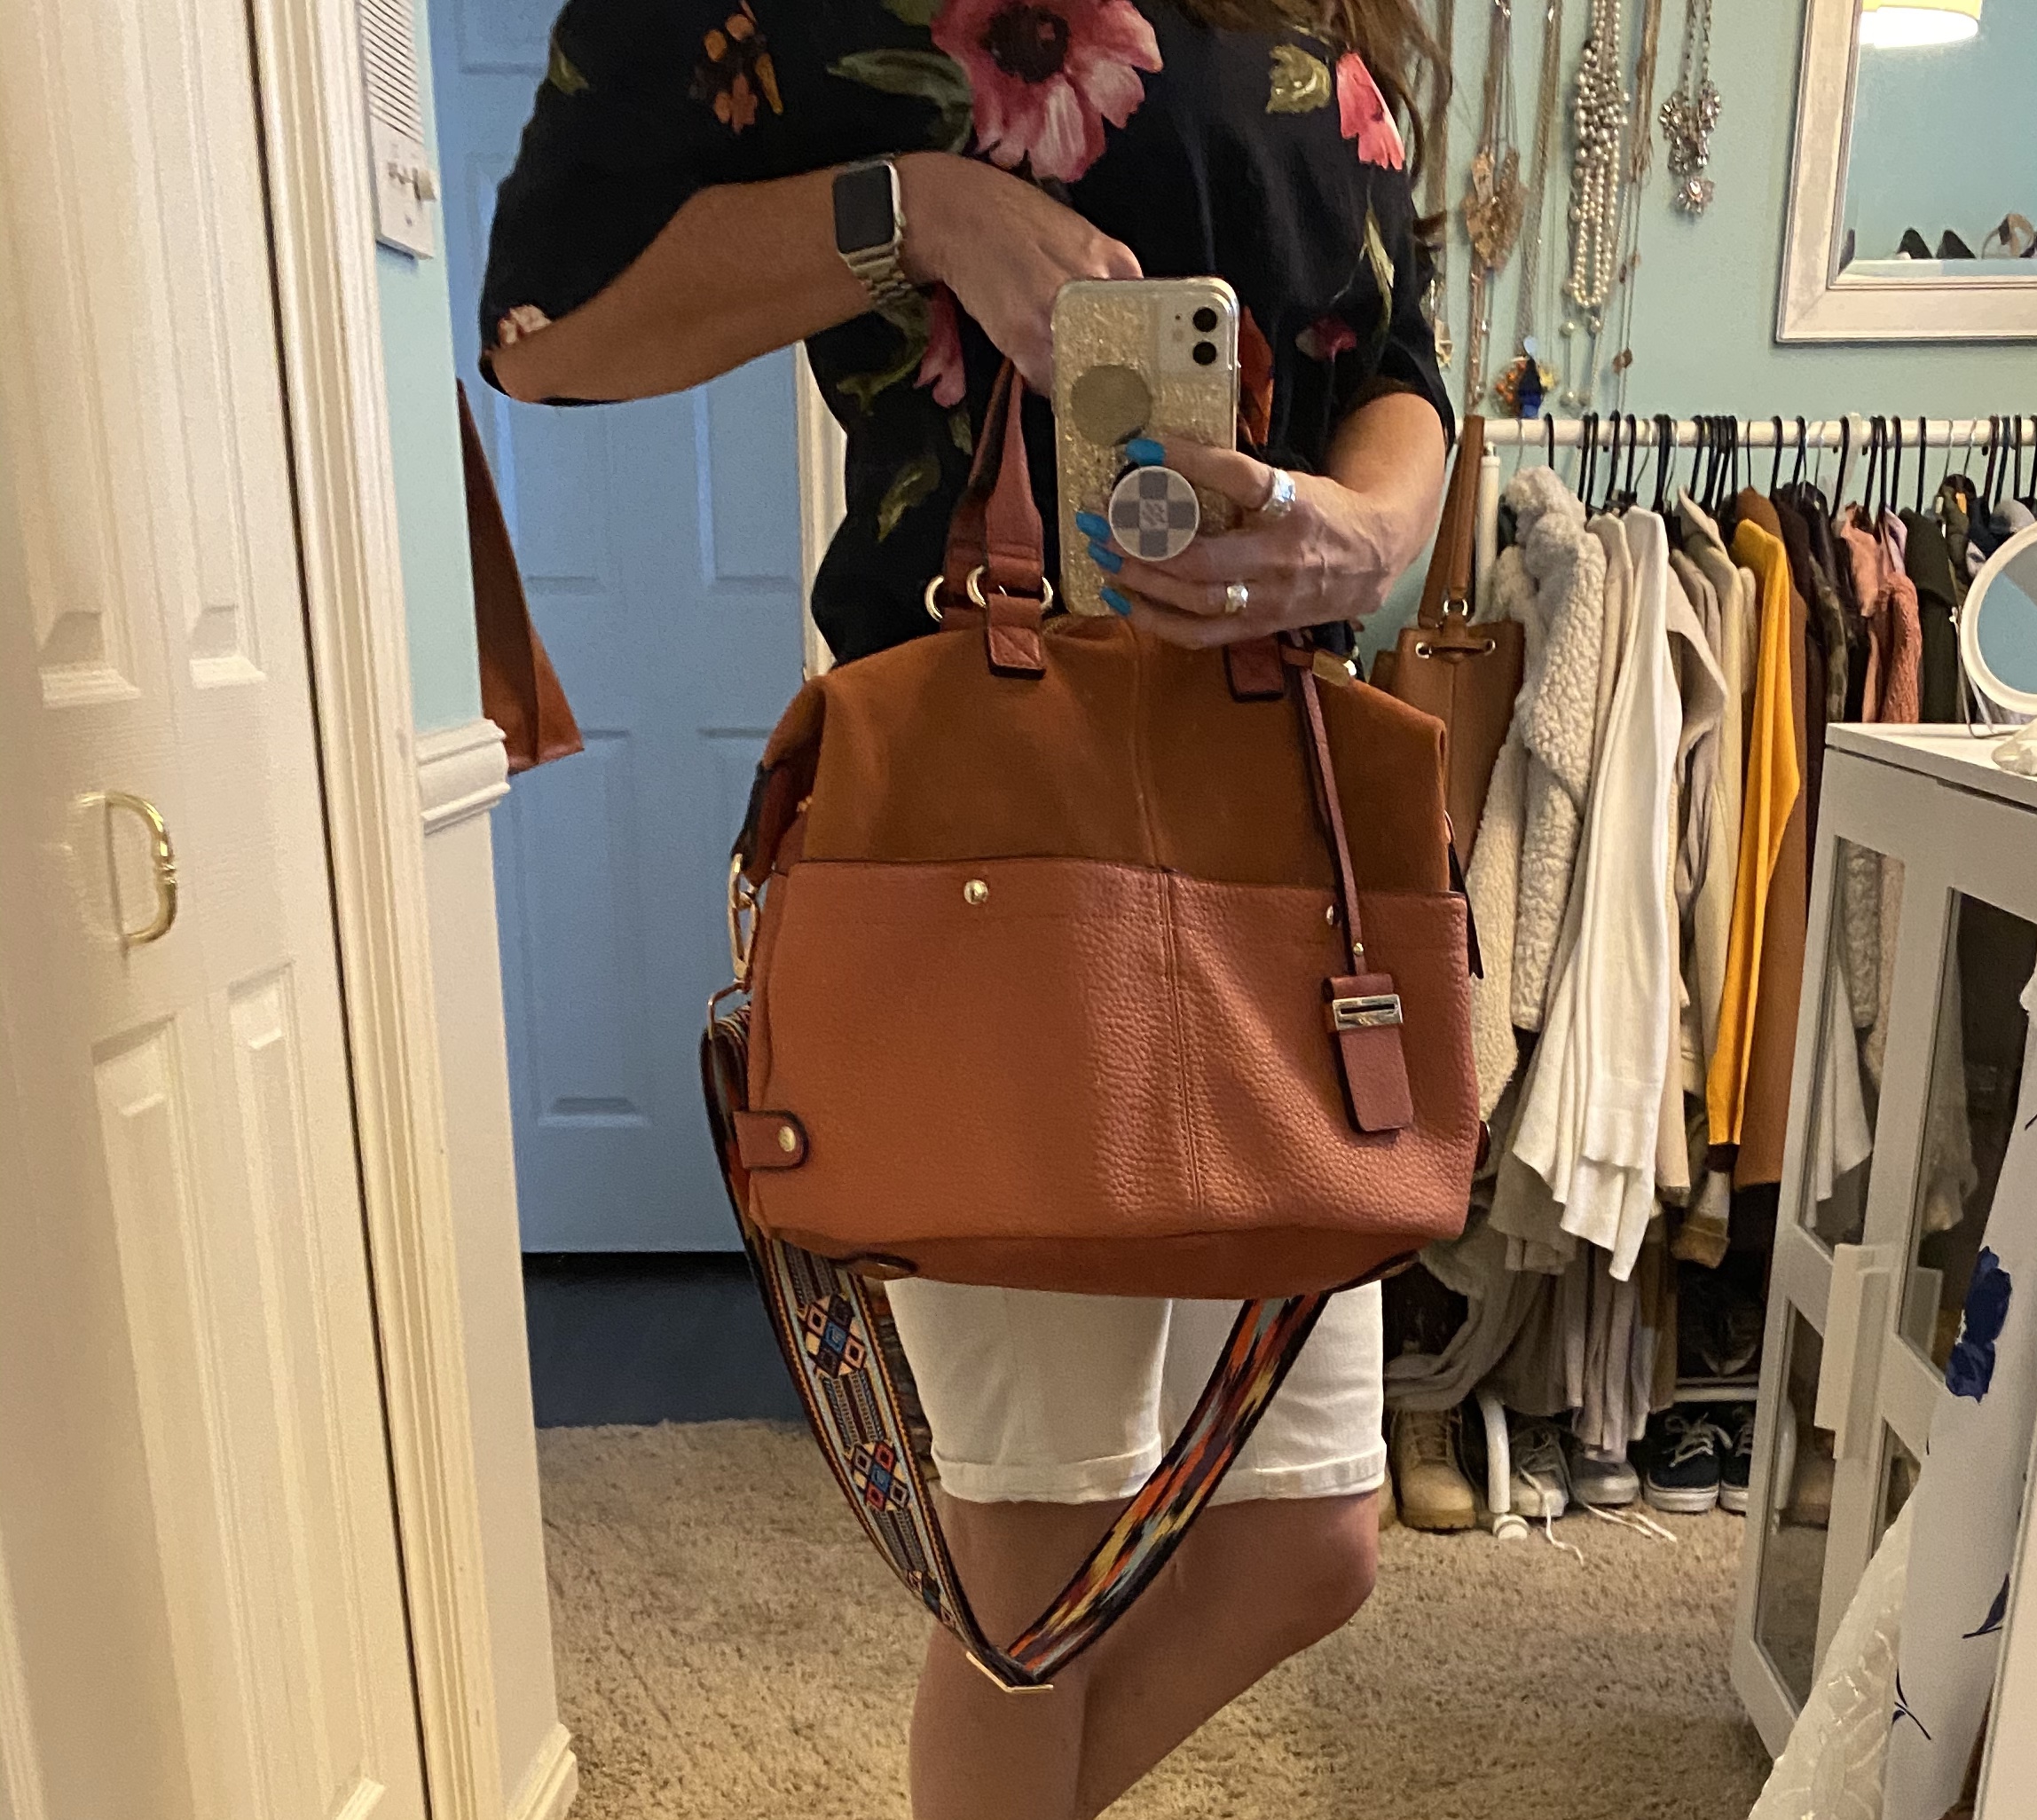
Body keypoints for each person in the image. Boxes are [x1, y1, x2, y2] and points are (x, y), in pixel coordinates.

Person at [480, 4, 1453, 1814]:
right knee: (1040, 1564)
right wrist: (909, 212)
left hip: (1271, 796)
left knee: (1307, 1541)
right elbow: (548, 326)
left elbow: (1390, 349)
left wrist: (1365, 534)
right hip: (991, 827)